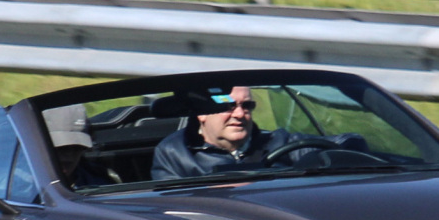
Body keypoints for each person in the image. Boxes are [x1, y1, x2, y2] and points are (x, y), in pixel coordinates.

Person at [149, 83, 362, 181]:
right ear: (201, 113)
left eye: (247, 106)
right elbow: (170, 211)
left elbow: (347, 142)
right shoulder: (174, 152)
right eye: (228, 106)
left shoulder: (281, 141)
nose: (240, 114)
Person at [42, 103, 99, 187]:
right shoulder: (20, 185)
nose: (69, 155)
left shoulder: (98, 184)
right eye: (60, 147)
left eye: (77, 147)